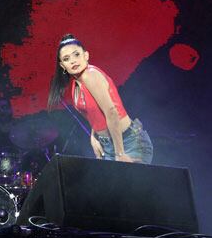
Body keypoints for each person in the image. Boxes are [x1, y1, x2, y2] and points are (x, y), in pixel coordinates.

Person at [46, 34, 153, 164]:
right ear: (63, 66)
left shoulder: (90, 75)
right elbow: (95, 113)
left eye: (77, 55)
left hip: (127, 143)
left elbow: (111, 112)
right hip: (108, 146)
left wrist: (119, 153)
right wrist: (94, 136)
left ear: (86, 55)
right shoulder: (76, 84)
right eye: (67, 59)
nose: (73, 61)